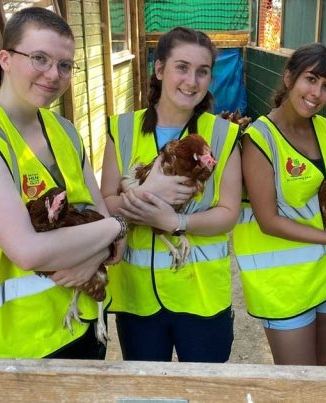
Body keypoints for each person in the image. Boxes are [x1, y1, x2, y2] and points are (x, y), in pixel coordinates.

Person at [0, 7, 124, 359]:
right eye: (39, 58)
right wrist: (116, 229)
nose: (53, 74)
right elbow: (27, 251)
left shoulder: (65, 131)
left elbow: (101, 220)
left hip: (84, 319)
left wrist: (102, 246)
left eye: (64, 65)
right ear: (5, 59)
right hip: (19, 346)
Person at [100, 27, 242, 363]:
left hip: (202, 296)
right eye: (182, 67)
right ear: (160, 69)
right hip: (139, 299)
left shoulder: (223, 134)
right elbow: (105, 204)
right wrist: (145, 195)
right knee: (150, 389)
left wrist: (175, 221)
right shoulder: (122, 128)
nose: (192, 81)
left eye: (202, 71)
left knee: (205, 388)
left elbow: (228, 213)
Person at [233, 43, 326, 366]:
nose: (317, 93)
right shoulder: (260, 138)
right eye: (310, 79)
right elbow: (268, 220)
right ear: (288, 77)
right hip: (284, 285)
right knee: (297, 383)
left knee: (320, 371)